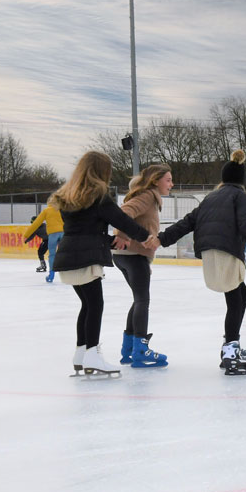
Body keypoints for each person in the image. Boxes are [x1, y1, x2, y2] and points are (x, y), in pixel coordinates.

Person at [157, 149, 246, 375]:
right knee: (235, 298)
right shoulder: (240, 196)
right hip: (226, 251)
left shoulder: (211, 197)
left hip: (210, 252)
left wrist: (163, 239)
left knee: (240, 295)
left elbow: (187, 222)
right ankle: (230, 353)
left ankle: (231, 346)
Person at [49, 151, 157, 376]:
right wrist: (145, 236)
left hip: (68, 256)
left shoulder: (69, 196)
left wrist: (111, 241)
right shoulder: (98, 196)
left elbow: (81, 230)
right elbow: (122, 220)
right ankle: (91, 355)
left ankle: (81, 354)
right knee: (95, 305)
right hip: (86, 258)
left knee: (87, 305)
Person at [111, 163, 173, 368]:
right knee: (142, 300)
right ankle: (140, 349)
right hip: (132, 254)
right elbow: (124, 212)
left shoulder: (151, 197)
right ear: (156, 180)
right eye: (168, 180)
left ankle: (128, 349)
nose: (171, 184)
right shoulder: (148, 195)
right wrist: (122, 235)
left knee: (138, 299)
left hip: (129, 255)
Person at [24, 203, 65, 282]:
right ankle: (67, 271)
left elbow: (35, 225)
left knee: (51, 254)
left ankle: (51, 274)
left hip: (51, 236)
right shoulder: (61, 210)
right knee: (64, 253)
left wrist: (26, 236)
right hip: (62, 233)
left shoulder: (46, 211)